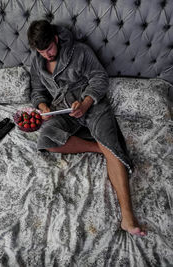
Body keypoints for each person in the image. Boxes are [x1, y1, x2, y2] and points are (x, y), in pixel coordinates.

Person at [27, 20, 146, 236]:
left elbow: (100, 78)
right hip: (63, 109)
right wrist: (43, 106)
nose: (47, 55)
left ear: (55, 38)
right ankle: (99, 148)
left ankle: (127, 218)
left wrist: (85, 103)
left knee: (112, 146)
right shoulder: (37, 61)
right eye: (41, 51)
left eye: (49, 49)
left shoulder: (80, 51)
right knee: (47, 140)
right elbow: (36, 91)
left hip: (90, 104)